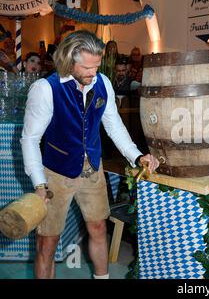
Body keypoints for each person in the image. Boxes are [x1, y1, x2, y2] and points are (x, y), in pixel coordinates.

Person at [20, 30, 160, 279]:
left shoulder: (102, 82)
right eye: (86, 67)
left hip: (93, 168)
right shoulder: (44, 89)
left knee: (98, 227)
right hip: (55, 173)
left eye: (96, 66)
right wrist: (39, 183)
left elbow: (114, 125)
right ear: (68, 60)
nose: (92, 73)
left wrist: (136, 156)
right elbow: (30, 140)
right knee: (47, 242)